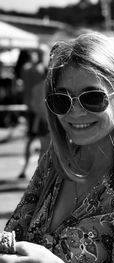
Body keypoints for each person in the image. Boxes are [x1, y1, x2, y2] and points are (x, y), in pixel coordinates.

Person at [2, 32, 114, 263]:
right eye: (62, 99)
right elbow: (14, 237)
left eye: (92, 98)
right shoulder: (55, 162)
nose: (75, 112)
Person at [17, 49, 50, 180]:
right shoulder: (38, 70)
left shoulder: (26, 69)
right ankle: (41, 174)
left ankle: (26, 169)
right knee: (44, 143)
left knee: (32, 141)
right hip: (39, 110)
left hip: (32, 108)